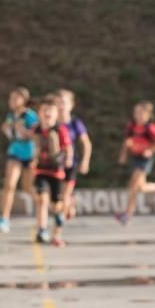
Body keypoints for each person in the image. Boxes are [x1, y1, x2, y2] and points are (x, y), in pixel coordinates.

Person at [114, 101, 155, 225]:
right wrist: (123, 155)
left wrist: (150, 150)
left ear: (148, 115)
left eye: (141, 113)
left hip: (145, 159)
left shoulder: (150, 128)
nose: (138, 115)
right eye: (136, 112)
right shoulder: (131, 126)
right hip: (135, 157)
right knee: (140, 187)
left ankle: (127, 214)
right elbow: (127, 142)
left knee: (133, 185)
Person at [31, 95, 74, 247]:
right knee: (42, 199)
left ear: (57, 114)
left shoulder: (60, 130)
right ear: (39, 113)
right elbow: (33, 145)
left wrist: (67, 159)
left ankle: (57, 231)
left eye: (51, 110)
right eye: (44, 110)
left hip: (56, 172)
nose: (47, 113)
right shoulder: (35, 129)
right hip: (40, 171)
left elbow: (68, 148)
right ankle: (42, 229)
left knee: (57, 206)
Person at [0, 87, 38, 234]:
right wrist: (7, 129)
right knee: (9, 184)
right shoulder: (11, 116)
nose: (11, 102)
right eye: (10, 99)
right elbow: (10, 133)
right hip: (14, 152)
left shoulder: (30, 116)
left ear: (23, 100)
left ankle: (45, 208)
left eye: (15, 98)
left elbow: (36, 135)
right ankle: (4, 218)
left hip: (29, 154)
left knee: (28, 188)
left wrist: (23, 131)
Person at [55, 89, 92, 221]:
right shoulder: (51, 123)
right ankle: (69, 203)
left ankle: (57, 230)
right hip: (53, 164)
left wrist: (85, 161)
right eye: (57, 103)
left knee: (64, 195)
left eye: (63, 103)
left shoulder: (75, 123)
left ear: (71, 105)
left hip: (70, 163)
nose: (60, 106)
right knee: (57, 197)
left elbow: (86, 144)